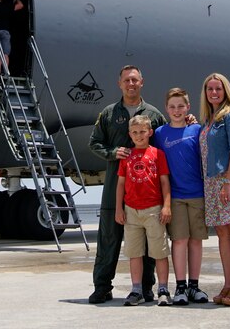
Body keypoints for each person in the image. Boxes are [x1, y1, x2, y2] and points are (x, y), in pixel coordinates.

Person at [87, 65, 166, 304]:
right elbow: (94, 143)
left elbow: (165, 139)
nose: (131, 84)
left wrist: (189, 120)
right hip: (116, 185)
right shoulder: (109, 113)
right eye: (126, 81)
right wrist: (113, 152)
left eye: (135, 80)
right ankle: (102, 286)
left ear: (142, 82)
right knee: (108, 238)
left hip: (147, 190)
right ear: (119, 83)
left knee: (148, 241)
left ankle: (146, 287)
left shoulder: (153, 114)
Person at [152, 88, 209, 305]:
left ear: (188, 107)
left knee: (195, 241)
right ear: (166, 108)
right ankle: (181, 287)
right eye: (172, 106)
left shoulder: (197, 129)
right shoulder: (160, 134)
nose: (176, 110)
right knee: (179, 240)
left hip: (197, 195)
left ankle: (195, 286)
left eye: (181, 106)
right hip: (174, 197)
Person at [199, 73, 230, 307]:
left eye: (218, 89)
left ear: (225, 90)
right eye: (210, 89)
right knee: (222, 232)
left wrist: (228, 181)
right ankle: (228, 283)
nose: (214, 93)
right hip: (211, 181)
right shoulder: (208, 120)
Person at [116, 115, 173, 306]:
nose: (139, 135)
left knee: (159, 252)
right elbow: (121, 184)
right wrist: (119, 209)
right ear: (129, 134)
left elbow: (165, 182)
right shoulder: (127, 156)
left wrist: (166, 206)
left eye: (142, 132)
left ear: (150, 132)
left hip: (153, 209)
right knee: (134, 253)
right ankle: (136, 290)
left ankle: (163, 289)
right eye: (135, 132)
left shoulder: (158, 154)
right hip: (131, 210)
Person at [0, 0, 24, 73]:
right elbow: (20, 5)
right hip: (5, 31)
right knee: (5, 53)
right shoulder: (7, 6)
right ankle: (6, 70)